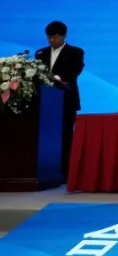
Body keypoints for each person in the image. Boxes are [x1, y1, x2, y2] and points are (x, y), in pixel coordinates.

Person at [34, 21, 84, 179]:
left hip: (66, 100)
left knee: (66, 135)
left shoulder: (75, 52)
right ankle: (45, 170)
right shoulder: (40, 53)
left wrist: (55, 79)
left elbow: (74, 72)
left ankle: (65, 172)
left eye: (55, 37)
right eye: (49, 37)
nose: (51, 40)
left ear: (63, 36)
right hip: (45, 104)